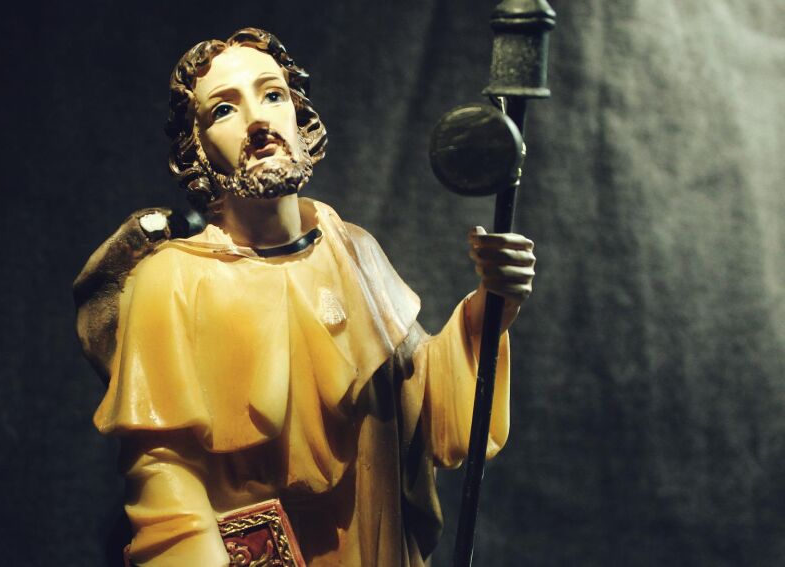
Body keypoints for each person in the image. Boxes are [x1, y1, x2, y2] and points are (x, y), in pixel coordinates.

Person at [75, 27, 536, 567]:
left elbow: (425, 410)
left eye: (272, 95)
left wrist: (488, 312)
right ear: (196, 149)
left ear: (300, 117)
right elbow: (162, 471)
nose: (258, 121)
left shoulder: (353, 250)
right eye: (223, 110)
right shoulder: (172, 281)